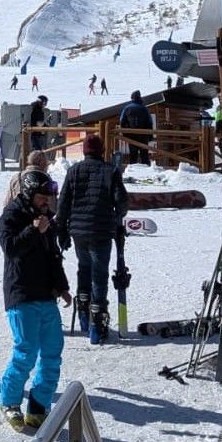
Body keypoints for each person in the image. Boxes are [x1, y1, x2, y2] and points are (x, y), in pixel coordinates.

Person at [0, 170, 72, 431]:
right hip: (21, 293)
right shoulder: (12, 216)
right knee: (26, 351)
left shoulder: (47, 219)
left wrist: (62, 287)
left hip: (46, 294)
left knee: (52, 351)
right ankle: (10, 402)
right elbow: (11, 249)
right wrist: (33, 230)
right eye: (43, 196)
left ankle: (39, 405)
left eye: (49, 197)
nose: (47, 201)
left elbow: (53, 256)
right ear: (29, 194)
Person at [56, 134, 129, 343]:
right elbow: (121, 201)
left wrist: (62, 230)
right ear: (102, 150)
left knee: (84, 269)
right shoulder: (111, 171)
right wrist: (116, 216)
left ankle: (84, 317)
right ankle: (97, 323)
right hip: (102, 231)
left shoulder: (73, 171)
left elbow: (63, 204)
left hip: (79, 232)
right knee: (99, 274)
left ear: (84, 150)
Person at [119, 90, 153, 165]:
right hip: (144, 135)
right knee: (144, 155)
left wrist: (125, 134)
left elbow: (122, 121)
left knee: (133, 155)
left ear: (132, 98)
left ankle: (132, 172)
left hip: (131, 135)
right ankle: (147, 173)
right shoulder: (144, 108)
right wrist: (150, 136)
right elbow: (150, 122)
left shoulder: (127, 108)